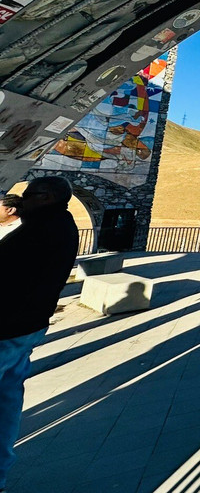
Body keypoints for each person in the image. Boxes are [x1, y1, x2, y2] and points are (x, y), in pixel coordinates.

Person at [0, 176, 79, 493]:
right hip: (27, 330)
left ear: (46, 198)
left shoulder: (37, 233)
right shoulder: (61, 225)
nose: (22, 201)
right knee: (6, 406)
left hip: (6, 331)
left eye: (27, 196)